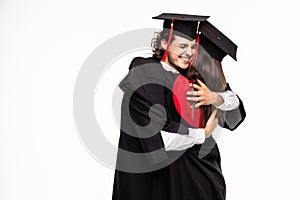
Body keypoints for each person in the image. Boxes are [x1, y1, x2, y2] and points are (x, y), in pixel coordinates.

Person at [112, 13, 246, 200]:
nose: (189, 53)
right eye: (182, 46)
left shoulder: (194, 76)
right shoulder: (145, 74)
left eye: (193, 47)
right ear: (165, 43)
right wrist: (203, 134)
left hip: (201, 173)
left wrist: (215, 98)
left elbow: (235, 108)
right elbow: (158, 141)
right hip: (162, 176)